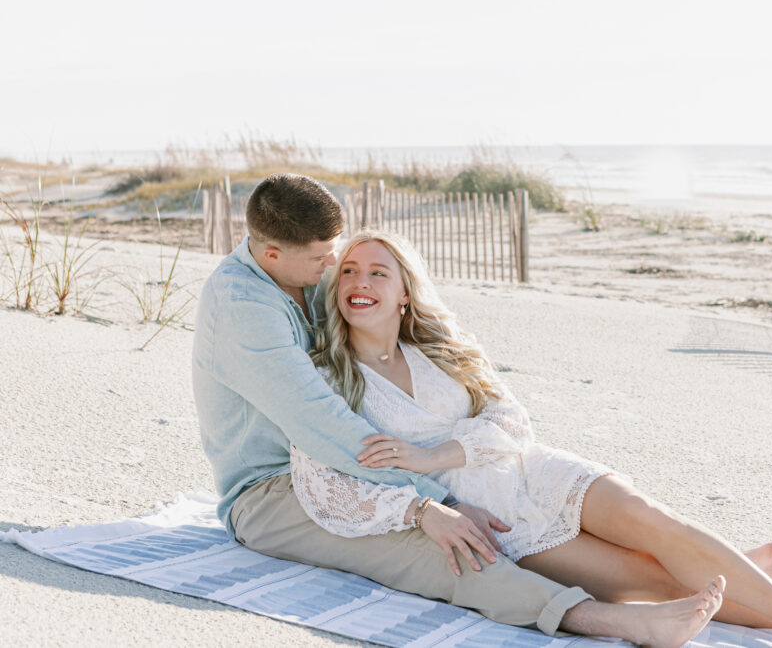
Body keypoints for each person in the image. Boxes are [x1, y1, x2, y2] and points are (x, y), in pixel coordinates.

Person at [291, 227, 772, 648]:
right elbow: (323, 484)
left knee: (658, 522)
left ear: (405, 290)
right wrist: (426, 502)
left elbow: (513, 420)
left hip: (533, 470)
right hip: (499, 520)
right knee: (650, 578)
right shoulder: (326, 376)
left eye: (378, 271)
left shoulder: (443, 348)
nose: (359, 282)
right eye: (348, 271)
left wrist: (437, 452)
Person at [192, 172, 731, 646]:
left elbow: (390, 298)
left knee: (542, 507)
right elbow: (321, 425)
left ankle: (717, 585)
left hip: (354, 457)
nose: (335, 266)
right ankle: (610, 622)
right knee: (441, 548)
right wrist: (433, 503)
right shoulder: (243, 308)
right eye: (322, 259)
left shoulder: (302, 270)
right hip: (275, 489)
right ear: (271, 255)